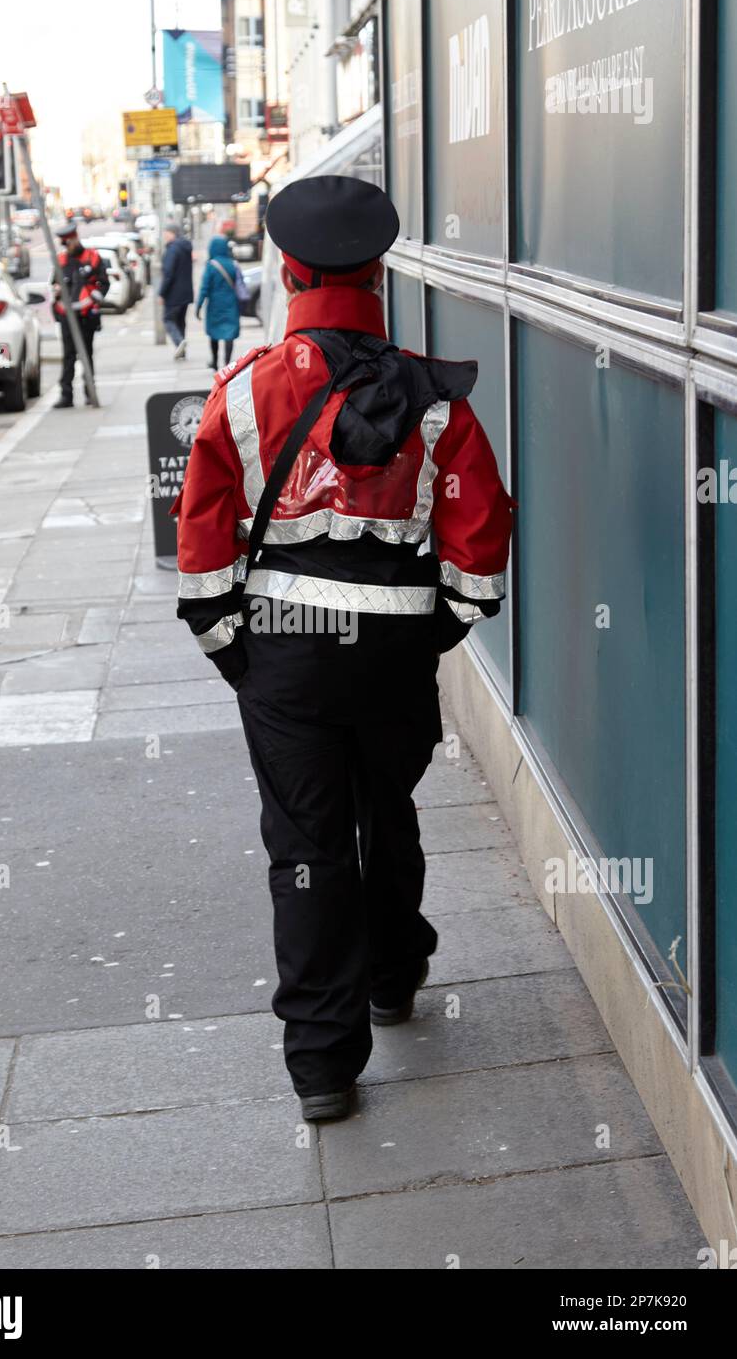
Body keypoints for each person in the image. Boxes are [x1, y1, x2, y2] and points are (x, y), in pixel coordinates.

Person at [172, 176, 515, 1123]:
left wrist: (230, 646)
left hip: (287, 657)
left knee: (307, 845)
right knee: (388, 806)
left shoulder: (244, 391)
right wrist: (440, 626)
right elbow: (480, 538)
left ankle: (323, 1065)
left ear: (288, 271)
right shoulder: (433, 397)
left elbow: (201, 533)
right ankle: (395, 975)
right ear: (378, 270)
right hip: (396, 651)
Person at [51, 219, 109, 408]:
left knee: (86, 354)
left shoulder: (92, 258)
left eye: (69, 243)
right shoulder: (61, 260)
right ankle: (66, 395)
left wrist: (94, 298)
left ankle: (89, 392)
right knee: (68, 355)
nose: (67, 247)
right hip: (68, 315)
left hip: (87, 316)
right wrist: (58, 292)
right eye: (64, 244)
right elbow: (55, 284)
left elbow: (104, 283)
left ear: (75, 239)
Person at [195, 234, 241, 371]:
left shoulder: (211, 266)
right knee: (229, 334)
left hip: (214, 305)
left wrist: (198, 306)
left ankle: (215, 362)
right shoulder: (233, 264)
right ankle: (227, 363)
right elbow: (240, 285)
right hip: (231, 304)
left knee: (214, 333)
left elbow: (204, 288)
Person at [159, 222, 193, 361]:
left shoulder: (172, 249)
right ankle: (182, 351)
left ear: (171, 233)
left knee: (168, 320)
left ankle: (179, 342)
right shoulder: (185, 247)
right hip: (186, 292)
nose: (164, 235)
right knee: (180, 321)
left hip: (173, 293)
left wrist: (162, 293)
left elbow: (168, 273)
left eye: (166, 232)